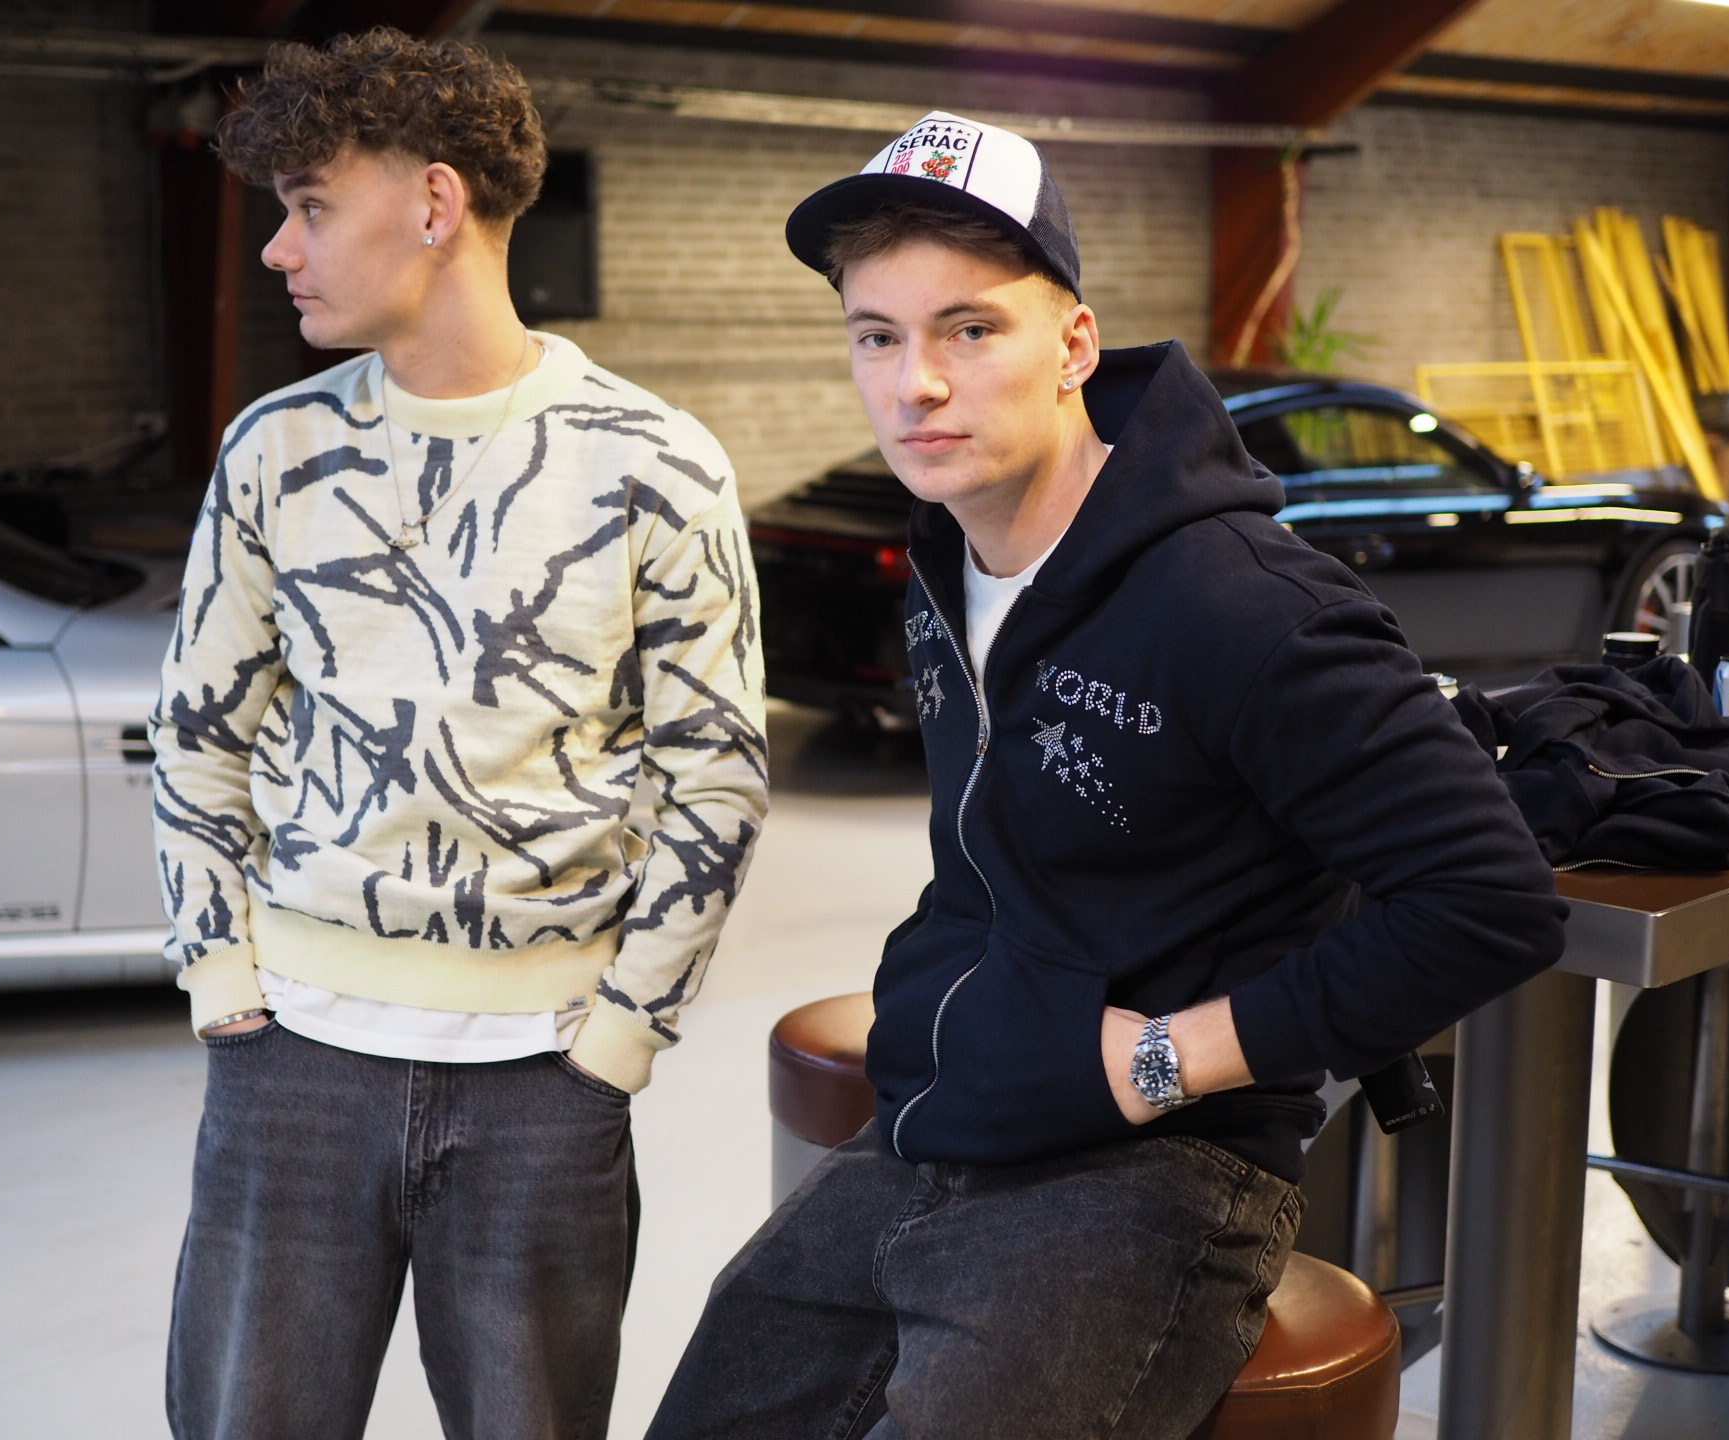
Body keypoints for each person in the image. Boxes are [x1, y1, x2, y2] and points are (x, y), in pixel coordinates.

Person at [645, 111, 1565, 1440]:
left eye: (970, 328)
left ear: (1074, 344)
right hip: (942, 1112)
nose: (916, 384)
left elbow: (1490, 901)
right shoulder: (949, 555)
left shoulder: (1247, 607)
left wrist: (1163, 1060)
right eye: (877, 336)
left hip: (1154, 1170)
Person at [149, 30, 767, 1440]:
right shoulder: (275, 451)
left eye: (311, 206)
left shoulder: (654, 462)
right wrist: (221, 977)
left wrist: (625, 1033)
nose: (279, 249)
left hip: (547, 1084)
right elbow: (196, 735)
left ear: (435, 203)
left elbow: (716, 775)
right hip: (293, 1063)